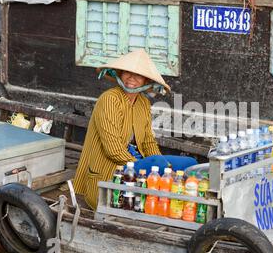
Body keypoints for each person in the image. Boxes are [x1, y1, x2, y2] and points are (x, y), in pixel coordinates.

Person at [73, 49, 197, 210]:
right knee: (158, 164)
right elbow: (113, 149)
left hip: (133, 160)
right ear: (120, 74)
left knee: (190, 164)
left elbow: (147, 142)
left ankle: (174, 206)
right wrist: (147, 168)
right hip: (111, 172)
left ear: (146, 81)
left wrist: (167, 169)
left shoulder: (143, 103)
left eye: (138, 75)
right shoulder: (110, 99)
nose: (131, 78)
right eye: (127, 73)